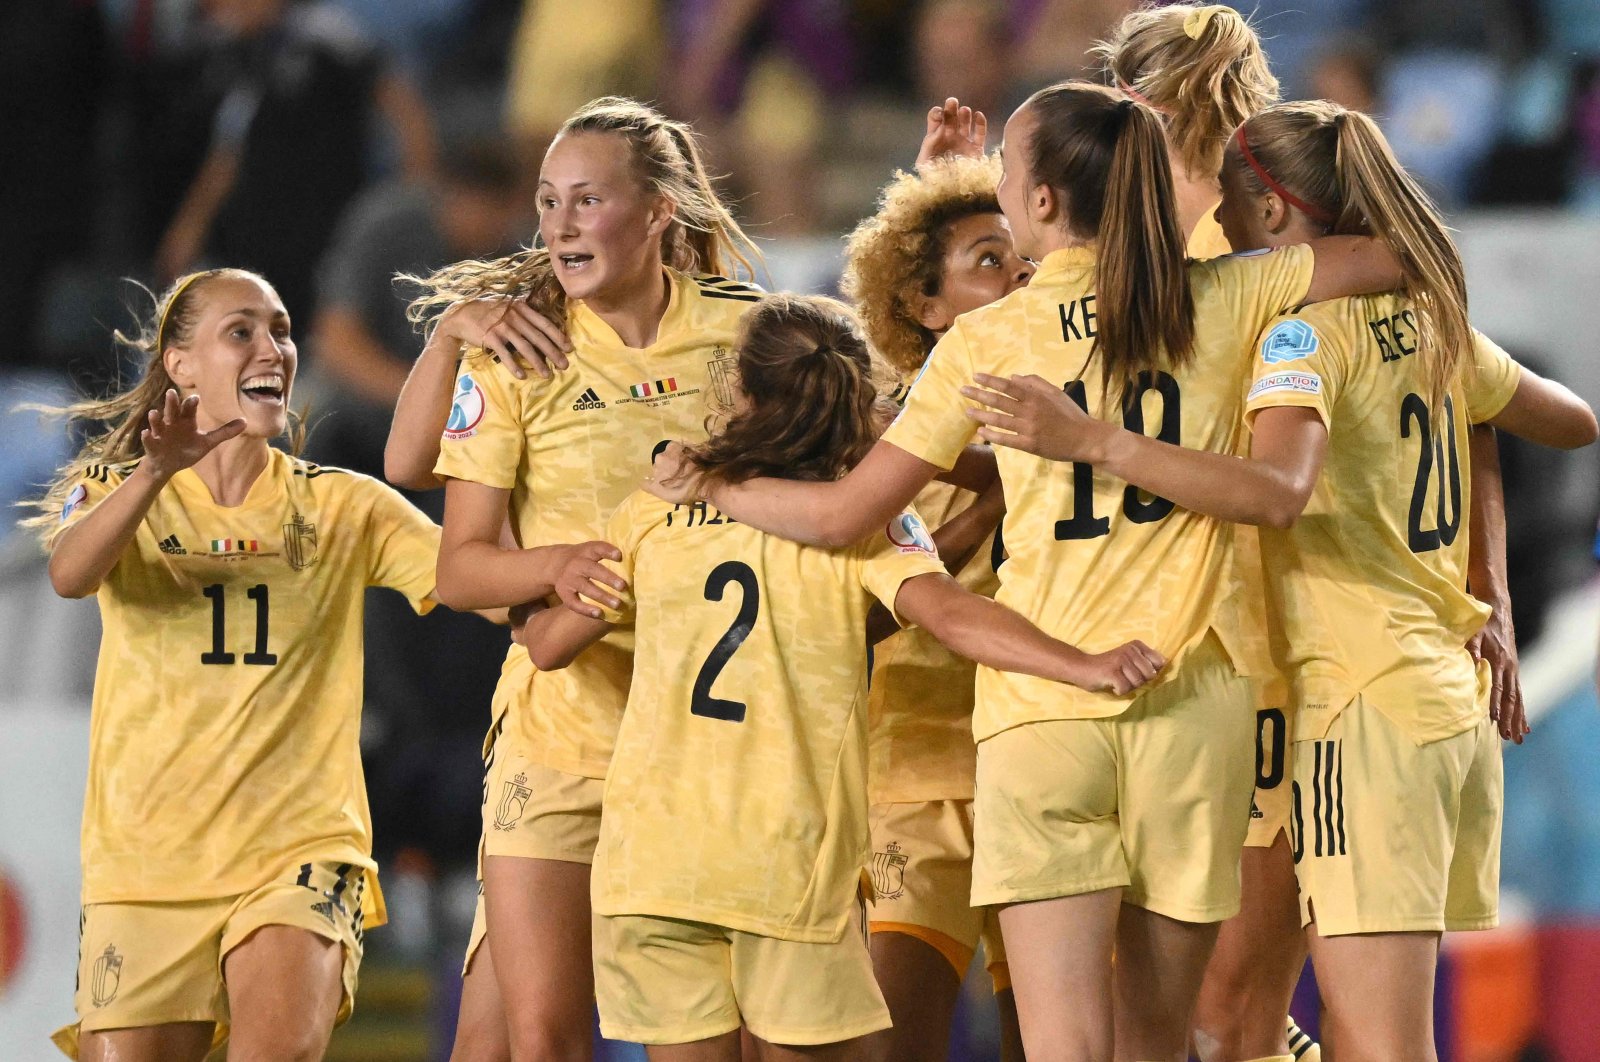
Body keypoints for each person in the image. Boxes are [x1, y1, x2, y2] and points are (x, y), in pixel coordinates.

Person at [645, 81, 1405, 1061]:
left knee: (1061, 1049)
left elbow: (842, 517)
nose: (997, 183)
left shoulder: (989, 339)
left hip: (1040, 710)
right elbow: (1392, 252)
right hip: (1194, 705)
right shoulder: (1225, 295)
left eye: (1005, 168)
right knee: (1159, 1043)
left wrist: (715, 484)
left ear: (1040, 203)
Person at [962, 100, 1597, 1061]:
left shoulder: (1299, 340)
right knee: (1317, 1025)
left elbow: (1276, 490)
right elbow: (1567, 419)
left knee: (1365, 1037)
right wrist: (1490, 590)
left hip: (1358, 701)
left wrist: (1097, 441)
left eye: (1224, 197)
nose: (1209, 222)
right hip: (1441, 696)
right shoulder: (1430, 326)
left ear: (1268, 213)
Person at [524, 293, 1164, 1060]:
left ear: (745, 394)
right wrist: (1085, 664)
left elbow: (550, 646)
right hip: (784, 865)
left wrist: (559, 586)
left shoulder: (657, 507)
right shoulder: (864, 526)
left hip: (651, 868)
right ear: (855, 403)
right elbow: (955, 618)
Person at [388, 97, 765, 1062]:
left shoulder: (754, 336)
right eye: (549, 200)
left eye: (587, 200)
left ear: (656, 215)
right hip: (563, 731)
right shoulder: (519, 354)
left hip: (714, 739)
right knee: (543, 1035)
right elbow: (461, 566)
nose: (557, 224)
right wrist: (562, 566)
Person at [30, 268, 450, 1062]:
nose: (274, 348)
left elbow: (472, 581)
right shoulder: (115, 490)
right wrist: (156, 473)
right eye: (242, 331)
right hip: (147, 862)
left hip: (297, 848)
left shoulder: (341, 505)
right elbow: (70, 574)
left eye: (283, 329)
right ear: (181, 365)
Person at [840, 151, 1029, 1061]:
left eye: (1022, 257)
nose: (1020, 275)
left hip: (1050, 766)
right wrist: (987, 513)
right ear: (923, 304)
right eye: (990, 262)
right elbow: (846, 621)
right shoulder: (875, 435)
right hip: (914, 782)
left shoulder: (1094, 417)